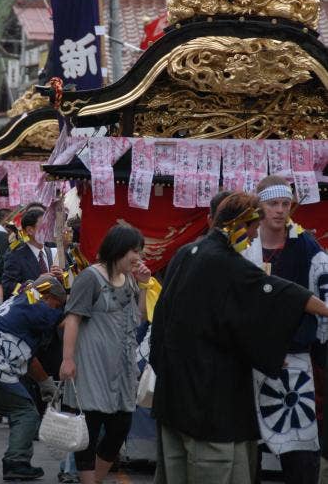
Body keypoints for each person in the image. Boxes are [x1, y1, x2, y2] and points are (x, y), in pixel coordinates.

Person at [150, 192, 328, 484]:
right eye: (253, 229)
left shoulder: (185, 254)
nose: (253, 237)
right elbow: (280, 293)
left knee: (175, 472)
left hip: (172, 395)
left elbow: (163, 318)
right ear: (239, 224)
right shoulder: (227, 264)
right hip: (208, 401)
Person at [244, 176, 328, 484]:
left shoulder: (306, 245)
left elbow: (324, 287)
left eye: (285, 204)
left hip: (294, 359)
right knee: (247, 443)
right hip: (250, 361)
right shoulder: (246, 244)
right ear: (259, 207)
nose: (280, 211)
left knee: (301, 445)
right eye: (273, 204)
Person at [59, 224, 151, 484]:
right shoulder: (90, 277)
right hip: (91, 364)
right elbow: (73, 319)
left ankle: (94, 480)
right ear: (118, 249)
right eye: (134, 250)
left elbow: (140, 316)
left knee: (120, 426)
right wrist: (67, 359)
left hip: (121, 366)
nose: (138, 257)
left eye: (140, 251)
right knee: (88, 429)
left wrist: (144, 285)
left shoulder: (131, 279)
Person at [0, 274, 65, 481]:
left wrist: (45, 383)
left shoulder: (19, 300)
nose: (55, 308)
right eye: (56, 303)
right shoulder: (34, 303)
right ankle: (17, 462)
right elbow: (62, 319)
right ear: (47, 296)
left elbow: (28, 356)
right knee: (25, 411)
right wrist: (69, 309)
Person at [2, 209, 60, 300]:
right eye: (44, 226)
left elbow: (67, 285)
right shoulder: (15, 256)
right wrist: (34, 285)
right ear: (30, 230)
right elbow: (9, 287)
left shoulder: (53, 251)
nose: (48, 230)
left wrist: (61, 277)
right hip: (29, 309)